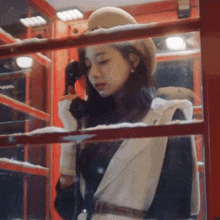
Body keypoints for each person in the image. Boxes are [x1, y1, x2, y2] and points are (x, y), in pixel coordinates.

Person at [54, 7, 200, 220]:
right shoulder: (89, 123)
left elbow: (175, 208)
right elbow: (68, 210)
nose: (93, 73)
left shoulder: (167, 117)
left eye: (103, 61)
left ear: (133, 61)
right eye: (87, 65)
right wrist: (70, 131)